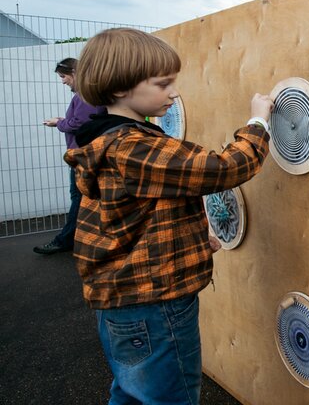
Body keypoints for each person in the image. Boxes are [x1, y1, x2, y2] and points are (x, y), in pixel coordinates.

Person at [63, 28, 272, 405]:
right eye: (163, 84)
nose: (174, 92)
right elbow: (223, 169)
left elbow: (135, 220)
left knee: (132, 393)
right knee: (168, 397)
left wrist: (193, 237)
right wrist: (258, 124)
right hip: (152, 306)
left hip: (125, 302)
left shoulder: (108, 140)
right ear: (120, 88)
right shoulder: (133, 148)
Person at [34, 58, 105, 255]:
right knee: (83, 197)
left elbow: (80, 123)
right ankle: (78, 238)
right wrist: (63, 121)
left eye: (63, 76)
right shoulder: (88, 94)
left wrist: (59, 124)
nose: (63, 81)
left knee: (80, 197)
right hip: (85, 154)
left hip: (83, 156)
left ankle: (66, 240)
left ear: (75, 73)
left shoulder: (85, 95)